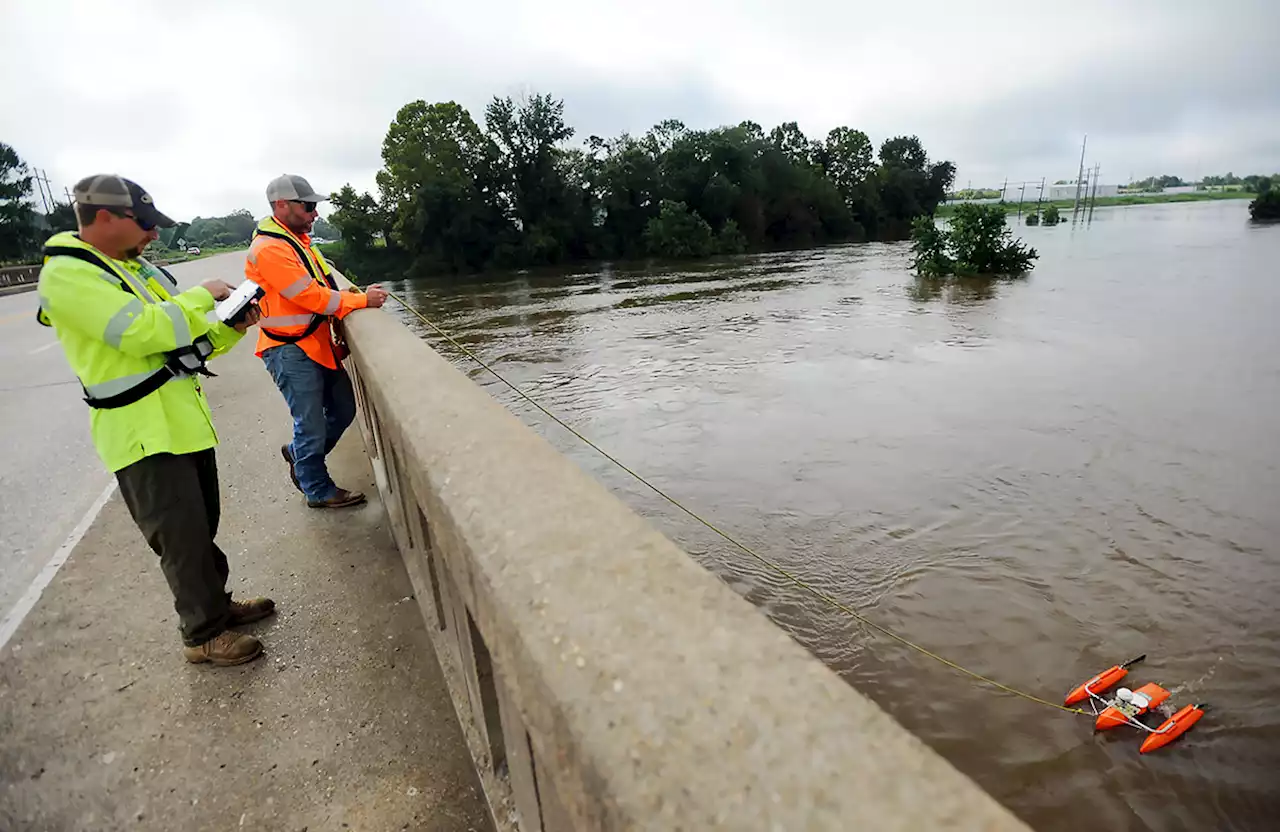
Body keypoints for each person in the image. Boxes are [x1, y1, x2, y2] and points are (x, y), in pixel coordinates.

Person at [37, 174, 272, 667]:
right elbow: (141, 333)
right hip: (141, 434)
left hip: (180, 421)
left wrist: (228, 328)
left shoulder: (132, 269)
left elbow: (177, 345)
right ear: (104, 218)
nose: (153, 235)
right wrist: (203, 296)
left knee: (200, 524)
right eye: (144, 224)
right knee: (180, 537)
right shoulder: (69, 275)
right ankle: (202, 634)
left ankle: (216, 606)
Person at [246, 174, 387, 508]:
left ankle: (299, 454)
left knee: (342, 408)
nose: (315, 214)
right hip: (289, 350)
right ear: (282, 205)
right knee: (310, 423)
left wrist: (347, 302)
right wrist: (361, 301)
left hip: (314, 343)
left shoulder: (297, 243)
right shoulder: (269, 249)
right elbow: (313, 297)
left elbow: (325, 286)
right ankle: (316, 488)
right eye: (308, 206)